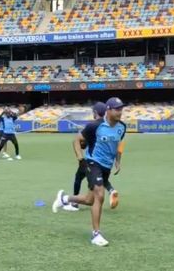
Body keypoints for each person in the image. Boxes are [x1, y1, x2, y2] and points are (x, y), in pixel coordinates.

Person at [52, 97, 127, 246]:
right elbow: (76, 140)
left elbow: (120, 143)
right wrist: (81, 160)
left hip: (107, 166)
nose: (120, 112)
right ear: (109, 110)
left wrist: (118, 160)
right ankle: (96, 234)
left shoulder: (122, 127)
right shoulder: (95, 126)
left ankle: (64, 199)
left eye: (121, 109)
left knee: (90, 200)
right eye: (117, 109)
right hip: (93, 163)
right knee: (100, 195)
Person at [63, 102, 119, 211]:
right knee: (101, 179)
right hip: (104, 161)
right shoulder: (107, 125)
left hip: (91, 160)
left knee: (78, 178)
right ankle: (111, 190)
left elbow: (78, 141)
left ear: (95, 112)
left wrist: (80, 157)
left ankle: (73, 203)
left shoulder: (93, 125)